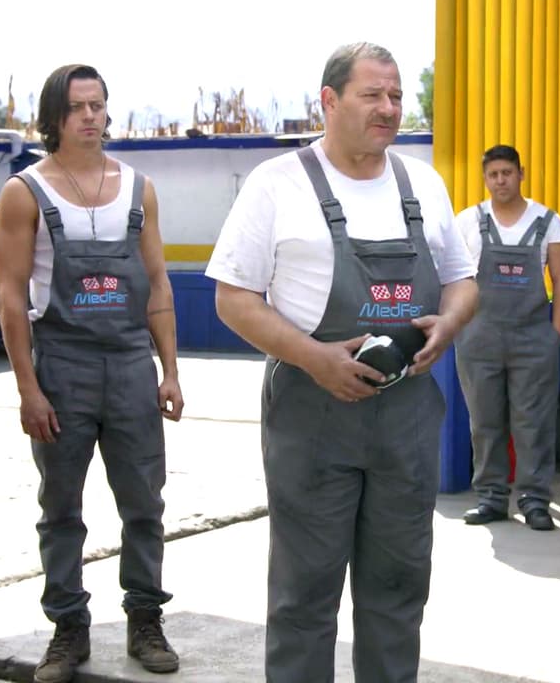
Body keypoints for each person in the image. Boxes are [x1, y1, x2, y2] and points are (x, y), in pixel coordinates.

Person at [207, 42, 478, 682]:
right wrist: (314, 358)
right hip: (313, 416)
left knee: (398, 585)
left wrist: (450, 322)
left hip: (406, 417)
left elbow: (463, 279)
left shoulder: (424, 183)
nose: (388, 109)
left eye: (396, 96)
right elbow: (232, 298)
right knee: (305, 593)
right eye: (372, 95)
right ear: (328, 101)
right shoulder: (279, 184)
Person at [0, 63, 184, 682]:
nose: (91, 117)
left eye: (99, 105)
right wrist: (28, 386)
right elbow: (11, 297)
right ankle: (68, 628)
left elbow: (157, 285)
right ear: (55, 116)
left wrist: (169, 370)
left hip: (130, 363)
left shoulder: (138, 188)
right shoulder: (25, 191)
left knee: (144, 503)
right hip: (63, 366)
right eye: (78, 107)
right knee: (61, 508)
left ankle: (145, 620)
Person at [452, 144, 560, 531]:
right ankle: (491, 498)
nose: (501, 180)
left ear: (522, 173)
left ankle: (535, 500)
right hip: (479, 338)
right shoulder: (468, 221)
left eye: (507, 172)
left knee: (532, 423)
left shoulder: (548, 221)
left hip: (533, 339)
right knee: (484, 421)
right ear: (485, 179)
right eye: (493, 174)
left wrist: (553, 335)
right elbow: (455, 278)